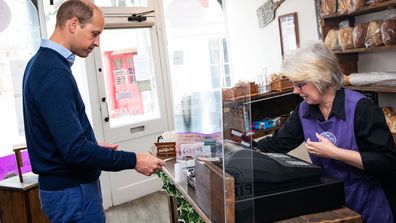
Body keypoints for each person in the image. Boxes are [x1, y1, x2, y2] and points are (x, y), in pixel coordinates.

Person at [22, 0, 165, 222]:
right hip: (72, 191)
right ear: (73, 24)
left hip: (66, 189)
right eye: (94, 33)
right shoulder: (53, 73)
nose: (97, 42)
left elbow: (59, 138)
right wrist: (134, 160)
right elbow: (75, 151)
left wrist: (90, 143)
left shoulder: (40, 63)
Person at [256, 41, 396, 223]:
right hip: (332, 201)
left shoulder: (361, 108)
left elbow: (386, 161)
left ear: (320, 77)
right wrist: (242, 150)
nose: (295, 91)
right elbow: (277, 144)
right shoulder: (304, 111)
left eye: (300, 84)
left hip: (369, 202)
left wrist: (335, 153)